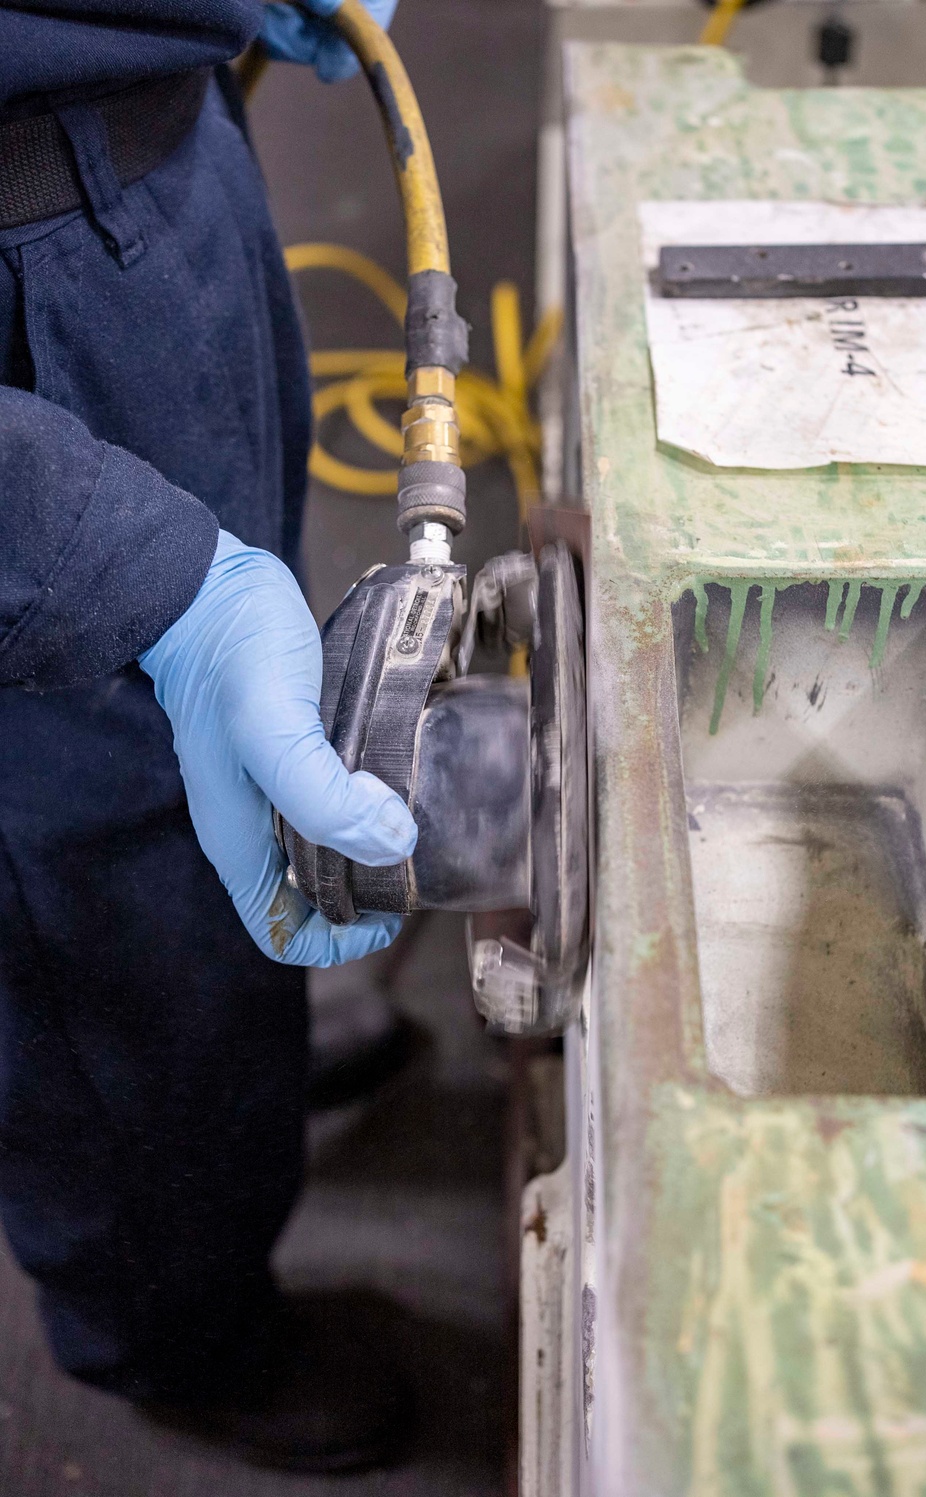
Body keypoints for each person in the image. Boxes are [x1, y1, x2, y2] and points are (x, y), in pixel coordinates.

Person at [0, 0, 417, 1473]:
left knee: (226, 771)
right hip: (22, 316)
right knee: (107, 871)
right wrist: (117, 561)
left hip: (155, 169)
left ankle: (231, 1049)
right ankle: (169, 1319)